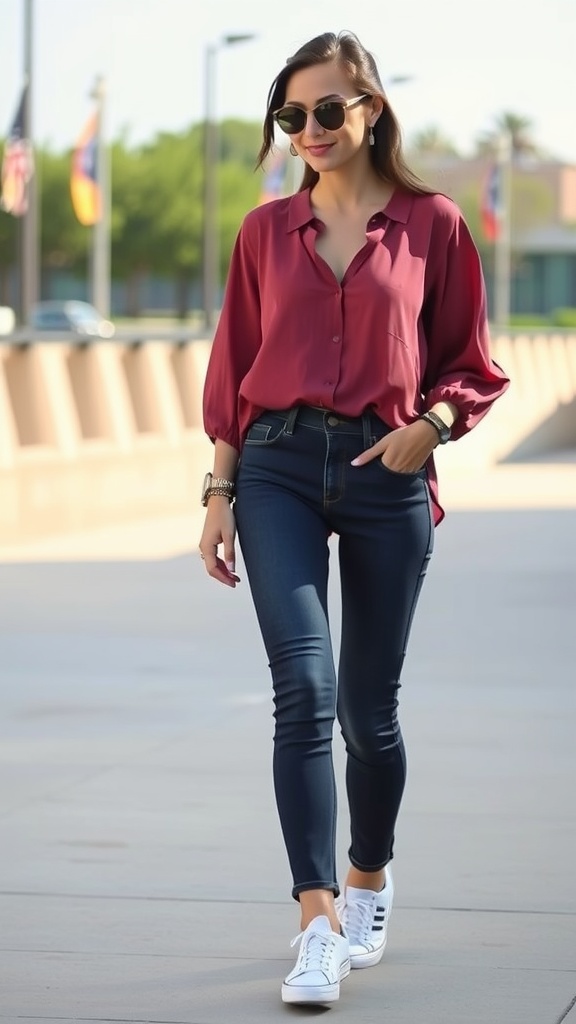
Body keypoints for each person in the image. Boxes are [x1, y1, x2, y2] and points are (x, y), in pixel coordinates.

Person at [199, 29, 509, 1006]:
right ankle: (318, 919)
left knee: (371, 714)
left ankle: (370, 875)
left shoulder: (435, 225)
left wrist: (434, 424)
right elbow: (231, 371)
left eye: (328, 110)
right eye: (292, 117)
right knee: (305, 688)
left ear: (370, 106)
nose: (311, 131)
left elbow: (473, 360)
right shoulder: (263, 234)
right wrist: (218, 490)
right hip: (277, 470)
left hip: (388, 472)